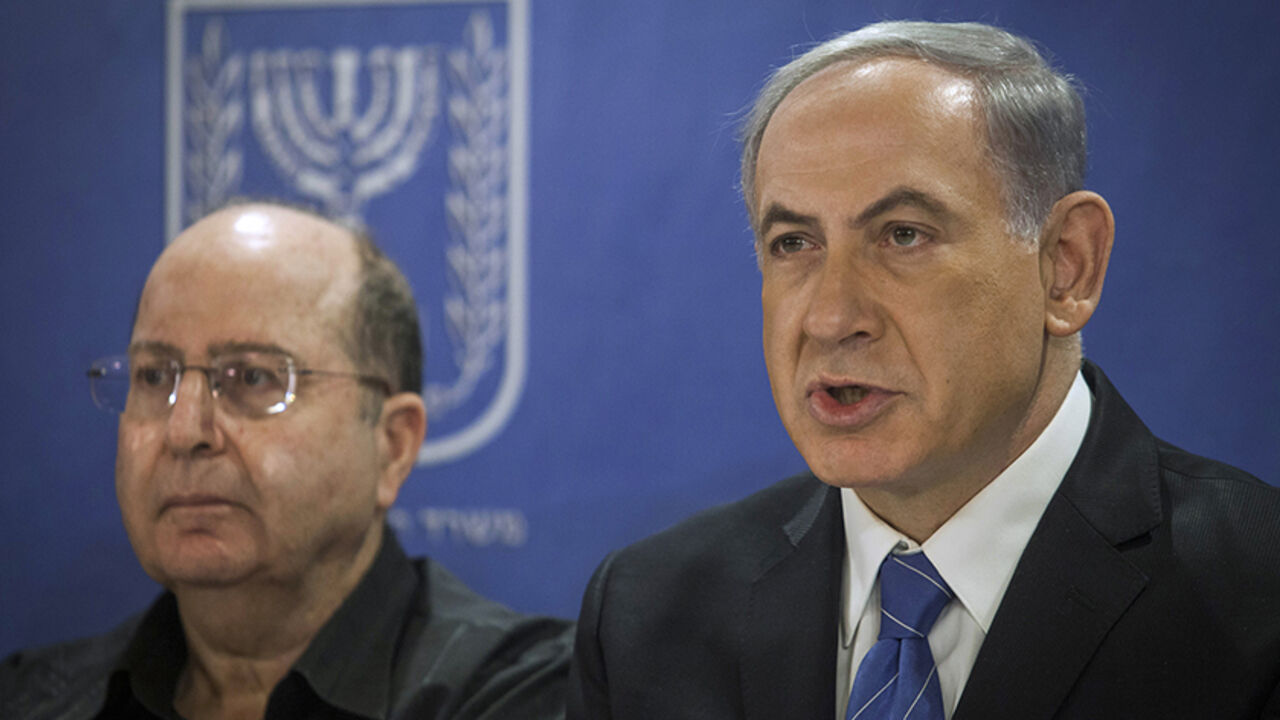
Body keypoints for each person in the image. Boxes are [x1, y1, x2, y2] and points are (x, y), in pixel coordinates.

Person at [568, 21, 1280, 720]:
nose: (829, 317)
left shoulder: (1258, 591)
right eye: (793, 243)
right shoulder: (647, 615)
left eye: (903, 235)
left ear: (1066, 265)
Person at [1, 202, 571, 719]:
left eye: (252, 377)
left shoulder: (522, 695)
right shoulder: (34, 700)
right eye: (155, 376)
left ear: (393, 445)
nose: (184, 430)